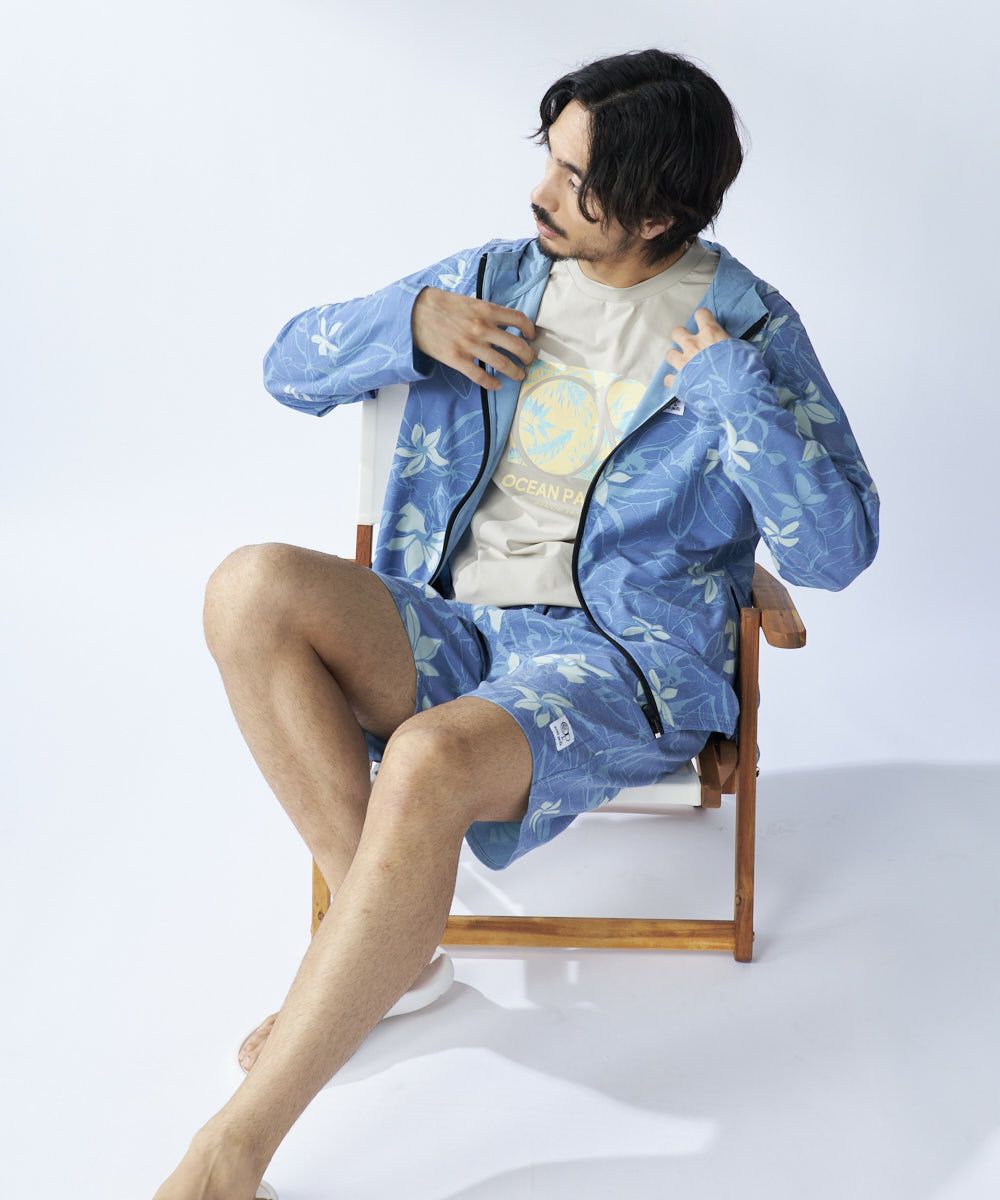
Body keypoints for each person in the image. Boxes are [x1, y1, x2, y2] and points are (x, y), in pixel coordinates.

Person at [153, 47, 879, 1199]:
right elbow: (285, 369)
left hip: (615, 665)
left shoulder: (747, 329)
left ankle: (229, 1150)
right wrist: (410, 320)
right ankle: (390, 951)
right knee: (247, 585)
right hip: (450, 624)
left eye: (576, 180)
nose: (540, 192)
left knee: (429, 758)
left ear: (653, 214)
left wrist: (733, 395)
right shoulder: (498, 275)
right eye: (550, 157)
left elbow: (837, 550)